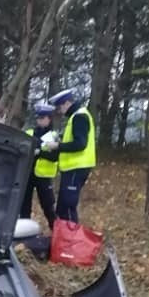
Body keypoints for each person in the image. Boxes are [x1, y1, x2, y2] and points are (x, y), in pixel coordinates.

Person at [48, 88, 96, 223]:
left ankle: (71, 240)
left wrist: (58, 146)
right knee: (62, 208)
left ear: (67, 103)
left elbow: (80, 144)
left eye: (60, 107)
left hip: (77, 167)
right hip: (71, 168)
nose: (60, 111)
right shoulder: (75, 116)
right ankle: (63, 239)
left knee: (68, 206)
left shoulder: (79, 117)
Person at [20, 101, 58, 230]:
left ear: (49, 119)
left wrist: (40, 153)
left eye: (42, 118)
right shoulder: (30, 132)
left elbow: (55, 157)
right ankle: (24, 233)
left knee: (48, 206)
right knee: (24, 205)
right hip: (27, 174)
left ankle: (56, 231)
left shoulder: (53, 136)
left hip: (43, 175)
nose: (39, 121)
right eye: (38, 118)